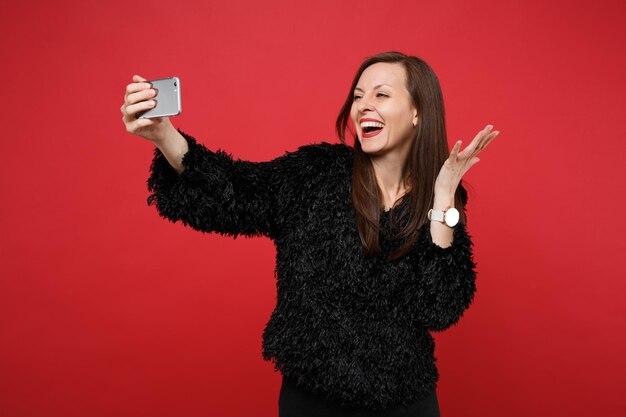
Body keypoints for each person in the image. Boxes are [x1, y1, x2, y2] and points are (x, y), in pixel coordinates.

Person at [120, 51, 500, 417]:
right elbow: (233, 193)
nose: (363, 106)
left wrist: (445, 192)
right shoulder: (315, 174)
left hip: (407, 403)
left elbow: (442, 306)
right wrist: (164, 135)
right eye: (357, 96)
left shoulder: (439, 200)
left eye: (381, 94)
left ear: (417, 111)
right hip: (314, 401)